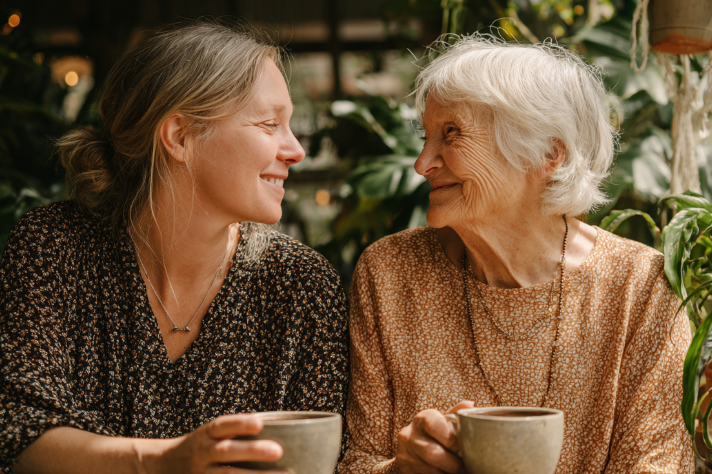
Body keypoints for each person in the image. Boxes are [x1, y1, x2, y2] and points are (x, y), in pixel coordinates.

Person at [1, 21, 349, 474]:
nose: (296, 150)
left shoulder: (300, 284)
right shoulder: (54, 248)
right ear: (180, 136)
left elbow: (326, 461)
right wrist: (168, 461)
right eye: (269, 125)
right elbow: (18, 432)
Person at [339, 35, 693, 474]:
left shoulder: (639, 287)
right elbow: (356, 461)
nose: (423, 162)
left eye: (451, 133)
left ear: (548, 153)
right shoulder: (391, 274)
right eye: (427, 136)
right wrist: (400, 471)